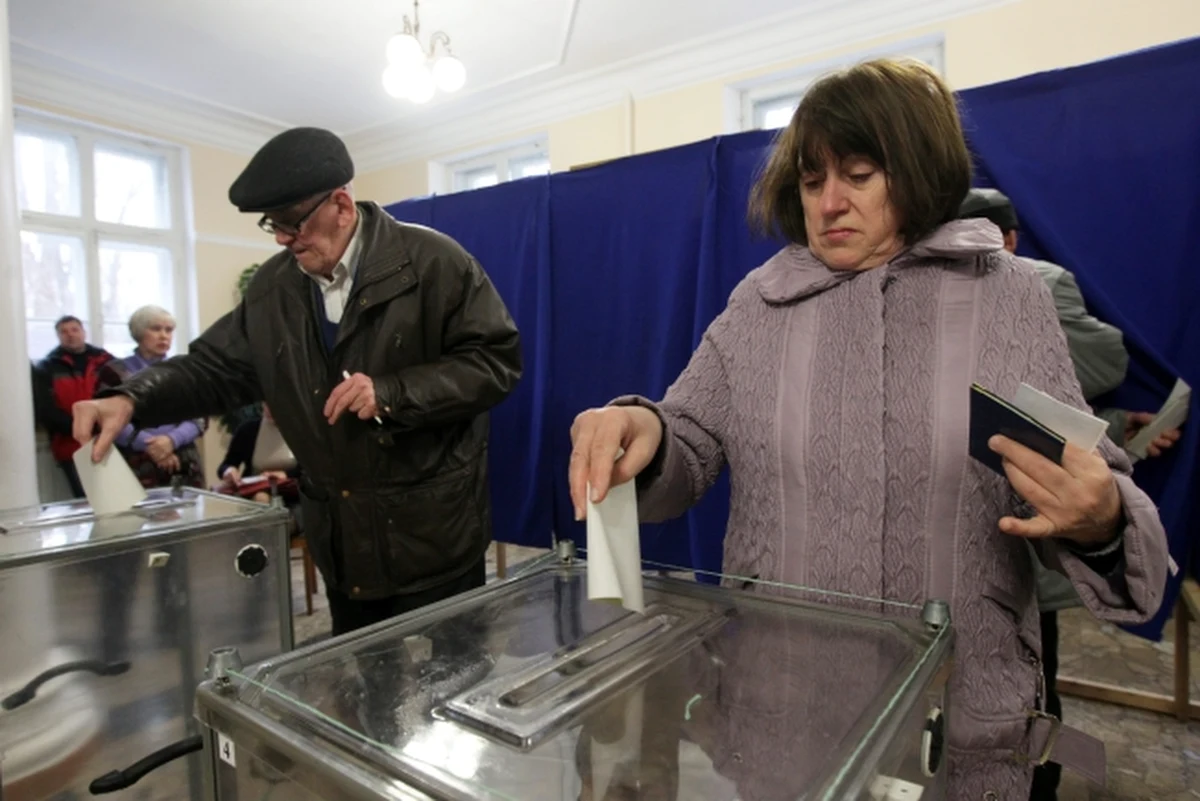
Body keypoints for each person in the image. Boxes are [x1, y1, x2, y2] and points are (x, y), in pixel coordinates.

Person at [568, 59, 1169, 798]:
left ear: (915, 172)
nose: (829, 202)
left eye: (857, 173)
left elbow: (1083, 476)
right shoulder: (760, 306)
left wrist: (1101, 514)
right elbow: (688, 439)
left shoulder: (1006, 298)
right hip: (782, 715)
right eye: (812, 180)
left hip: (955, 724)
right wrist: (644, 428)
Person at [72, 127, 523, 637]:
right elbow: (214, 369)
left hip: (432, 536)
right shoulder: (274, 288)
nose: (284, 239)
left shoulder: (434, 262)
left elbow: (494, 362)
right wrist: (130, 399)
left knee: (451, 685)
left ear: (341, 205)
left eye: (293, 223)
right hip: (342, 543)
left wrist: (393, 392)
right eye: (274, 226)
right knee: (364, 689)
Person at [959, 187, 1182, 800]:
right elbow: (1102, 362)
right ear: (1011, 238)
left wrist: (1114, 421)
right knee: (1030, 675)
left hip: (981, 517)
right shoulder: (1039, 278)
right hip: (1026, 519)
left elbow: (1045, 388)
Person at [97, 305, 207, 489]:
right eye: (156, 329)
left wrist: (171, 441)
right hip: (136, 462)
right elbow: (109, 419)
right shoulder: (115, 372)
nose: (164, 335)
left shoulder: (186, 370)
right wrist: (153, 447)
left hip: (183, 460)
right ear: (139, 333)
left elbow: (200, 418)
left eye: (169, 330)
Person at [31, 316, 113, 497]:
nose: (70, 335)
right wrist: (81, 428)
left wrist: (102, 427)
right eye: (64, 331)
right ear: (58, 336)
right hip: (71, 446)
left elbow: (118, 397)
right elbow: (46, 410)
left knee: (117, 497)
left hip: (110, 440)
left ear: (84, 332)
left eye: (74, 330)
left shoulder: (106, 361)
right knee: (87, 501)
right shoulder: (47, 367)